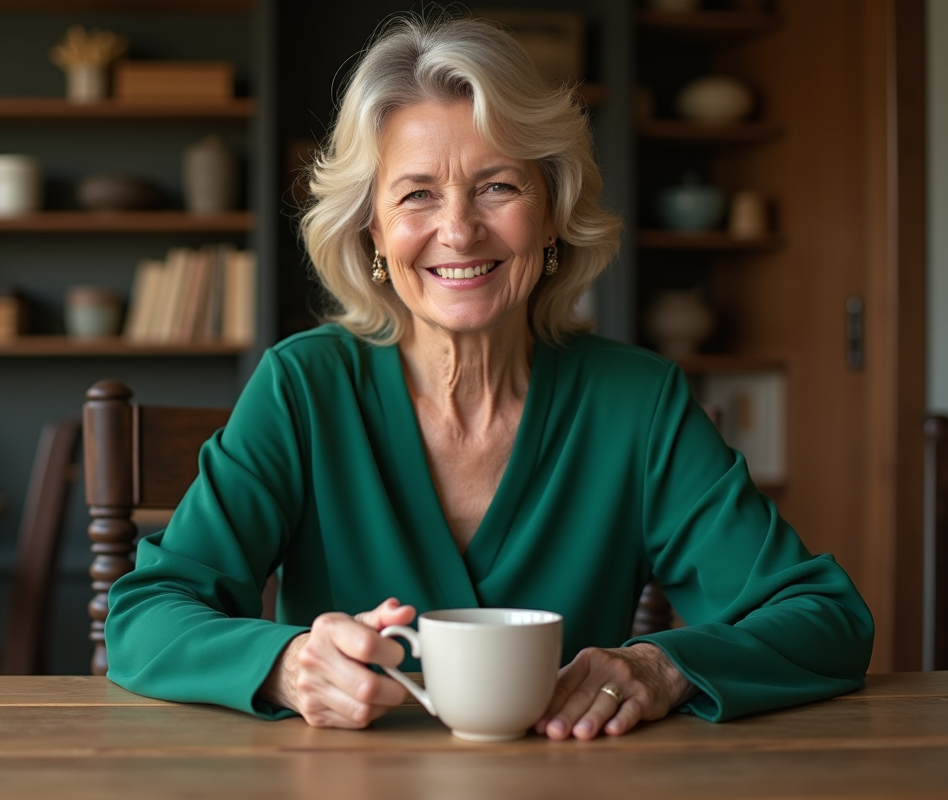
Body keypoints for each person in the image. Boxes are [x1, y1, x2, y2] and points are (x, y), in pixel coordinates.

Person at [105, 13, 873, 740]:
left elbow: (825, 618)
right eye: (417, 195)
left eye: (498, 185)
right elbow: (146, 614)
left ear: (551, 214)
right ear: (372, 231)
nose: (459, 229)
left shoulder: (637, 402)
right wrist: (283, 665)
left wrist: (660, 666)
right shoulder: (303, 389)